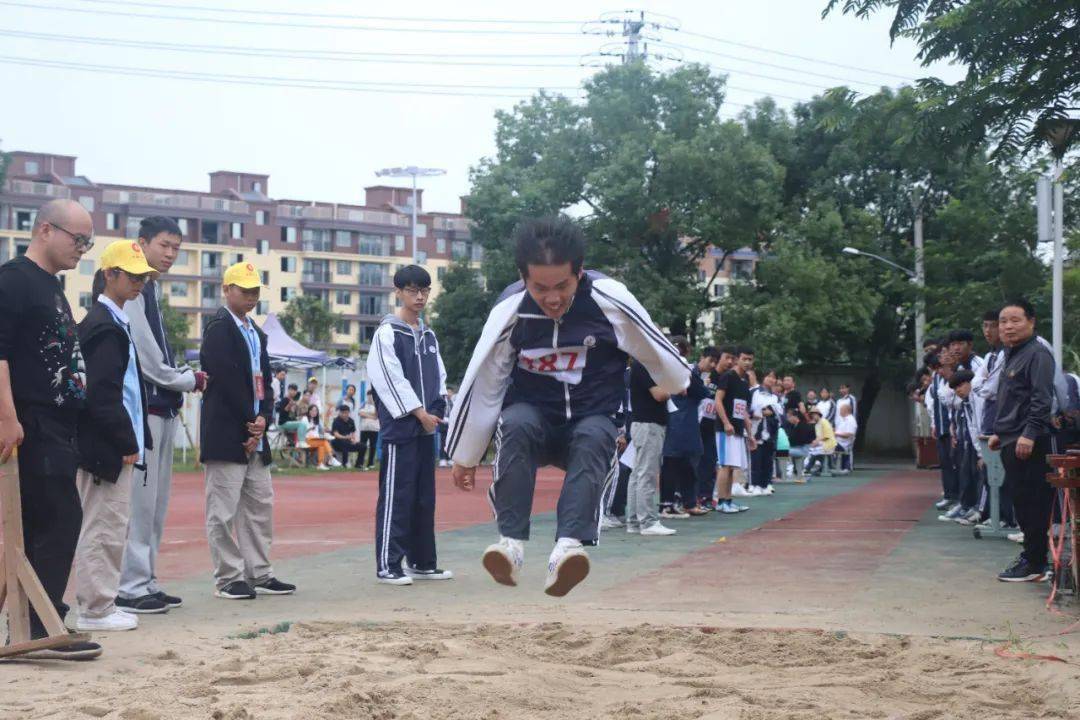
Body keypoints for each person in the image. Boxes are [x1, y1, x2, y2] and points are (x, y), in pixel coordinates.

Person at [447, 216, 689, 597]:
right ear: (522, 278)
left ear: (580, 272)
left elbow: (651, 342)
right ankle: (510, 545)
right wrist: (466, 453)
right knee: (516, 422)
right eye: (540, 288)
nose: (553, 298)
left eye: (562, 285)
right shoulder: (511, 311)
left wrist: (675, 381)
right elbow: (488, 380)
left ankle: (567, 550)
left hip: (591, 417)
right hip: (534, 419)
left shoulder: (608, 300)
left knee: (595, 435)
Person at [0, 199, 101, 659]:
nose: (83, 248)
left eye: (87, 241)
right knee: (58, 518)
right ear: (45, 229)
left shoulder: (53, 287)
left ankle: (32, 625)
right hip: (31, 420)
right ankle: (40, 624)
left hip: (58, 423)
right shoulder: (15, 281)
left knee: (46, 522)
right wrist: (7, 416)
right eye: (77, 238)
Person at [118, 216, 207, 615]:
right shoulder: (133, 291)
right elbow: (149, 361)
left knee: (156, 504)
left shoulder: (149, 291)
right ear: (142, 244)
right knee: (138, 504)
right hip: (144, 411)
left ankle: (146, 579)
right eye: (164, 246)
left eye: (176, 248)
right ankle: (130, 586)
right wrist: (186, 379)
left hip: (162, 408)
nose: (170, 254)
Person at [199, 262, 295, 600]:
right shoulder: (217, 329)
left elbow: (265, 383)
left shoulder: (257, 333)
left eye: (255, 291)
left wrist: (264, 418)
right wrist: (249, 421)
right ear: (227, 290)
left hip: (256, 432)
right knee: (222, 509)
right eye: (244, 290)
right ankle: (228, 577)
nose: (251, 297)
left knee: (260, 504)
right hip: (228, 431)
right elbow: (223, 380)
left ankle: (260, 572)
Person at [72, 243, 155, 632]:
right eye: (132, 275)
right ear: (109, 275)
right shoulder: (104, 326)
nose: (139, 282)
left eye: (143, 276)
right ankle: (95, 609)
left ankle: (100, 603)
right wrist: (126, 441)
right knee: (103, 526)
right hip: (107, 447)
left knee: (110, 524)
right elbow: (103, 396)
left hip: (111, 443)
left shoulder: (113, 322)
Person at [366, 264, 452, 586]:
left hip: (426, 429)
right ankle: (388, 564)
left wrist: (437, 409)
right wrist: (418, 412)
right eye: (413, 290)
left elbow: (439, 377)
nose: (419, 296)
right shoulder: (387, 332)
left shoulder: (428, 335)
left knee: (423, 498)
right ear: (399, 292)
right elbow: (388, 379)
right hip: (401, 429)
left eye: (425, 290)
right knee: (396, 497)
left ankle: (422, 561)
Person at [988, 299, 1057, 582]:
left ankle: (1036, 563)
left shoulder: (1037, 354)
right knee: (1021, 500)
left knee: (1033, 502)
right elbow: (1011, 399)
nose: (1007, 326)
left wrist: (1029, 434)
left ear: (1031, 321)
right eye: (1003, 321)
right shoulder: (1012, 354)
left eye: (1015, 320)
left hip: (1029, 441)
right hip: (1010, 438)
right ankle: (1032, 558)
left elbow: (1041, 399)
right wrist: (999, 432)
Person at [660, 343, 715, 517]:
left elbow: (700, 391)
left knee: (687, 465)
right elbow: (701, 391)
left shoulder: (688, 372)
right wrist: (700, 386)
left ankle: (686, 503)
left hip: (686, 422)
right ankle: (667, 504)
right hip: (678, 422)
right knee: (671, 464)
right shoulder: (685, 370)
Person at [626, 355, 679, 536]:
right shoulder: (645, 366)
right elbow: (659, 394)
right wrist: (675, 385)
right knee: (646, 474)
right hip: (649, 425)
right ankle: (647, 521)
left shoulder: (640, 365)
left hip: (644, 424)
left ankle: (634, 521)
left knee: (638, 473)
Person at [714, 347, 756, 513]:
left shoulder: (745, 380)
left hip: (738, 430)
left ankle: (729, 500)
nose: (747, 362)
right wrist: (726, 423)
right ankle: (721, 502)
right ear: (738, 359)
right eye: (744, 358)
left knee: (732, 466)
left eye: (750, 359)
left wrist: (750, 434)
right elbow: (718, 400)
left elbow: (743, 409)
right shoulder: (728, 376)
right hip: (726, 430)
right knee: (725, 465)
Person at [695, 346, 725, 510]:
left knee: (710, 460)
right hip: (695, 423)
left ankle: (706, 496)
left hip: (711, 424)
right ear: (702, 357)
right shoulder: (693, 372)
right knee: (694, 461)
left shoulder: (721, 378)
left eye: (715, 361)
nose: (712, 365)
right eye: (710, 360)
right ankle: (693, 497)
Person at [748, 370, 782, 494]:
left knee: (768, 460)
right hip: (756, 430)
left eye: (774, 378)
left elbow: (780, 414)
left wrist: (771, 411)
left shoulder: (775, 397)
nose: (771, 379)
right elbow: (747, 409)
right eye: (769, 376)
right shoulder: (754, 392)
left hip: (771, 432)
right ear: (763, 378)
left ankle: (766, 484)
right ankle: (754, 484)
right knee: (756, 459)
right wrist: (760, 412)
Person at [782, 408, 814, 483]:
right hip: (796, 448)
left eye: (789, 417)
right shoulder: (792, 426)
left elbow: (802, 440)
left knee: (780, 452)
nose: (788, 419)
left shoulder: (803, 426)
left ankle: (782, 475)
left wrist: (789, 439)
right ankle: (795, 473)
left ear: (795, 416)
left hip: (803, 450)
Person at [805, 407, 836, 476]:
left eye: (814, 414)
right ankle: (825, 467)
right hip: (823, 444)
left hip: (829, 444)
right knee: (810, 449)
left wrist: (817, 442)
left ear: (818, 414)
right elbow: (819, 437)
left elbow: (827, 436)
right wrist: (814, 442)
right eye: (812, 415)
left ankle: (808, 468)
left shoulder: (824, 422)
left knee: (814, 452)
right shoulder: (816, 425)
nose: (813, 416)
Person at [304, 404, 335, 470]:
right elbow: (302, 431)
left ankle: (320, 464)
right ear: (309, 411)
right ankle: (331, 458)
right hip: (307, 440)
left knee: (322, 445)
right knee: (324, 442)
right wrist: (310, 428)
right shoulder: (305, 418)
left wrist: (325, 433)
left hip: (315, 440)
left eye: (315, 411)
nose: (314, 412)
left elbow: (320, 432)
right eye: (312, 410)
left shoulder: (316, 420)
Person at [833, 402, 858, 475]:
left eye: (841, 410)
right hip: (838, 442)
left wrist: (835, 434)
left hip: (843, 445)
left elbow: (849, 434)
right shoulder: (843, 420)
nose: (839, 412)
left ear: (846, 410)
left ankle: (823, 466)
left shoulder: (851, 420)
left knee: (823, 446)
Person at [357, 388, 379, 470]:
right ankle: (360, 463)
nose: (370, 397)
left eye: (372, 396)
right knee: (362, 445)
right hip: (364, 428)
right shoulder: (363, 403)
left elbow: (376, 415)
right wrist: (371, 416)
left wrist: (367, 414)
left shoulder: (377, 404)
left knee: (373, 447)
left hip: (374, 429)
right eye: (369, 396)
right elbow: (360, 413)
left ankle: (370, 463)